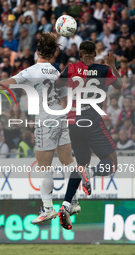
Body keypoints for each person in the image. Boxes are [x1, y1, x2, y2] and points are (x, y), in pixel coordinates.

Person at [0, 32, 79, 224]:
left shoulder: (31, 71)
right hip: (61, 117)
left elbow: (6, 84)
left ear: (37, 52)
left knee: (44, 166)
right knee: (68, 162)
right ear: (52, 55)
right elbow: (64, 99)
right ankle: (73, 201)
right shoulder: (55, 72)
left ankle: (47, 207)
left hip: (45, 120)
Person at [55, 41, 122, 230]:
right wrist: (112, 65)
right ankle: (89, 174)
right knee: (112, 162)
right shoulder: (102, 69)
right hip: (92, 122)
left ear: (80, 54)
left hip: (73, 123)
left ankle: (67, 204)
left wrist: (64, 103)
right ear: (95, 53)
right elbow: (119, 85)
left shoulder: (71, 68)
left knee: (81, 164)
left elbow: (55, 85)